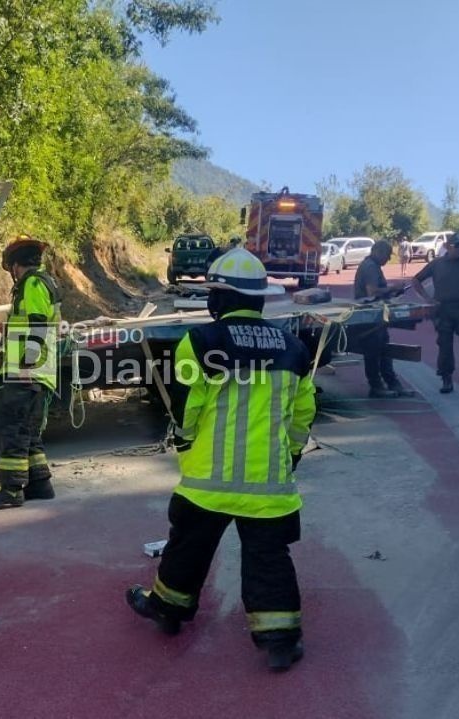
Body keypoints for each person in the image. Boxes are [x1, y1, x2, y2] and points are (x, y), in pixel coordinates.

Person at [126, 248, 317, 672]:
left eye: (214, 292)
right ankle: (280, 641)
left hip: (207, 481)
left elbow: (186, 407)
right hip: (270, 486)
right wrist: (291, 454)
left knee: (187, 549)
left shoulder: (201, 343)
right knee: (269, 559)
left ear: (223, 299)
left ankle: (168, 612)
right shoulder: (293, 348)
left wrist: (186, 444)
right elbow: (302, 416)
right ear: (260, 298)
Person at [0, 235, 62, 509]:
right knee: (27, 429)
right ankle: (40, 483)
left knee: (12, 428)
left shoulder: (33, 284)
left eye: (11, 267)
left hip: (29, 372)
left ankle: (11, 490)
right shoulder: (37, 284)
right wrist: (3, 357)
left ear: (15, 265)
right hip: (35, 370)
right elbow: (22, 330)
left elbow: (38, 326)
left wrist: (26, 365)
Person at [413, 235, 459, 394]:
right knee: (444, 346)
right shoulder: (437, 264)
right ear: (448, 247)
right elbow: (416, 280)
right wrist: (428, 299)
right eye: (457, 246)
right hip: (443, 309)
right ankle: (446, 379)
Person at [353, 240, 412, 398]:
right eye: (386, 256)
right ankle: (376, 385)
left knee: (384, 348)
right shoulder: (371, 266)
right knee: (374, 350)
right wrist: (393, 288)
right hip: (369, 315)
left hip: (375, 314)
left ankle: (391, 381)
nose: (387, 259)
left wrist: (391, 293)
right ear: (377, 252)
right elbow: (372, 291)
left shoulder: (372, 265)